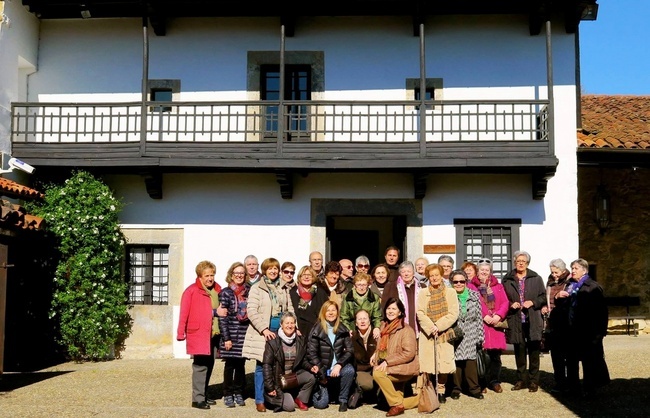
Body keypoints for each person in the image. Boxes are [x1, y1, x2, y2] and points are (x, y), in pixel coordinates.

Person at [242, 257, 295, 413]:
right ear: (264, 270)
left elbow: (290, 308)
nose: (273, 271)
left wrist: (294, 326)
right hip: (263, 332)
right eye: (270, 268)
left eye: (275, 268)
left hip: (281, 331)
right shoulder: (257, 287)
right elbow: (251, 310)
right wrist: (264, 329)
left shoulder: (284, 287)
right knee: (261, 365)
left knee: (280, 365)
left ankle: (277, 396)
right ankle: (260, 400)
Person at [177, 260, 222, 410]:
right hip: (199, 333)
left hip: (214, 333)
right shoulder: (191, 291)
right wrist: (180, 333)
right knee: (200, 366)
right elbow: (184, 313)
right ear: (200, 277)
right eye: (207, 275)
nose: (210, 278)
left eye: (212, 275)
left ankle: (203, 394)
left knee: (209, 365)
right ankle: (197, 399)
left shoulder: (217, 290)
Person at [563, 258, 610, 396]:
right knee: (571, 361)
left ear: (584, 270)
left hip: (587, 331)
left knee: (589, 362)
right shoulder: (569, 286)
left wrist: (600, 333)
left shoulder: (593, 287)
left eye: (576, 268)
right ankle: (573, 388)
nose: (573, 271)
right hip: (571, 330)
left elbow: (602, 312)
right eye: (572, 268)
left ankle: (589, 389)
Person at [502, 250, 546, 393]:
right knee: (519, 352)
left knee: (534, 351)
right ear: (514, 262)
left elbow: (543, 297)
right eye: (518, 261)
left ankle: (534, 381)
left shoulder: (536, 278)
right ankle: (521, 380)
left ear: (527, 263)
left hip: (532, 319)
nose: (520, 263)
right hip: (516, 320)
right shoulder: (507, 279)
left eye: (523, 261)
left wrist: (533, 302)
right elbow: (502, 299)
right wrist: (510, 304)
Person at [416, 263, 459, 404]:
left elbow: (453, 313)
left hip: (444, 333)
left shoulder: (450, 292)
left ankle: (441, 390)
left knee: (443, 364)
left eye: (436, 275)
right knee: (427, 364)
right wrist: (431, 327)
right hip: (427, 334)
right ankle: (428, 390)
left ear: (441, 276)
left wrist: (439, 326)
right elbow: (420, 312)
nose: (434, 278)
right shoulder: (423, 293)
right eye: (431, 276)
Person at [371, 298, 420, 417]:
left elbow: (409, 353)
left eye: (394, 309)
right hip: (392, 365)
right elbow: (383, 346)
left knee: (378, 373)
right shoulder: (384, 326)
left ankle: (397, 404)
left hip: (404, 367)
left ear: (400, 312)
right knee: (386, 402)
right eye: (388, 308)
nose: (390, 311)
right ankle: (418, 400)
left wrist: (387, 362)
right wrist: (375, 354)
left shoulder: (406, 329)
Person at [306, 300, 356, 412]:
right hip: (322, 369)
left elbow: (350, 350)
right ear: (323, 313)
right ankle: (322, 390)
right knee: (321, 404)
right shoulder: (316, 330)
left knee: (349, 370)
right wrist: (322, 373)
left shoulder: (343, 329)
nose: (331, 313)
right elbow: (311, 353)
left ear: (337, 313)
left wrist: (339, 364)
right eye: (328, 310)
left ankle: (343, 400)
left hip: (338, 368)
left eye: (333, 310)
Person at [262, 312, 316, 412]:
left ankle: (300, 399)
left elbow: (303, 360)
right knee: (290, 407)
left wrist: (310, 367)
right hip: (278, 381)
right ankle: (287, 397)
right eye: (287, 323)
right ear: (281, 325)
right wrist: (270, 387)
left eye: (292, 323)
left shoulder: (300, 340)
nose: (290, 326)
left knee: (310, 377)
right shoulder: (273, 342)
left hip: (292, 378)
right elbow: (267, 366)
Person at [470, 258, 509, 394]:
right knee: (482, 356)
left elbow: (505, 302)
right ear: (477, 271)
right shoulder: (472, 286)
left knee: (495, 357)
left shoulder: (498, 286)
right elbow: (474, 302)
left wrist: (498, 315)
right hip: (481, 325)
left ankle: (494, 381)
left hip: (495, 325)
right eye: (482, 270)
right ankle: (481, 382)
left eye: (487, 270)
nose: (484, 272)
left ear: (490, 271)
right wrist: (484, 315)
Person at [218, 262, 251, 407]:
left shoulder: (249, 291)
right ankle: (227, 393)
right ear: (231, 274)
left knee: (241, 365)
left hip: (244, 334)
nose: (239, 275)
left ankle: (238, 392)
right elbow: (222, 317)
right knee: (229, 366)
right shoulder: (226, 292)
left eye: (242, 273)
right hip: (230, 335)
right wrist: (226, 338)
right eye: (236, 273)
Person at [449, 270, 485, 400]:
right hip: (455, 332)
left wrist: (481, 336)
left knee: (471, 362)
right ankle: (456, 388)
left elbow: (479, 317)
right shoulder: (449, 296)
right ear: (451, 282)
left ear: (466, 282)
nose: (459, 284)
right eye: (456, 282)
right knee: (456, 362)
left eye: (461, 281)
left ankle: (474, 389)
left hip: (471, 331)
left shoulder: (475, 295)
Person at [544, 258, 573, 393]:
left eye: (556, 272)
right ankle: (560, 382)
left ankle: (572, 383)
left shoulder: (570, 281)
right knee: (556, 356)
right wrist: (545, 306)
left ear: (562, 271)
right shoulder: (550, 282)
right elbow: (547, 298)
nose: (554, 275)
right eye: (552, 272)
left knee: (569, 356)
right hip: (553, 323)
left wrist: (558, 296)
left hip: (566, 323)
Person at [381, 261, 421, 337]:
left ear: (413, 273)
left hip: (419, 330)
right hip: (397, 329)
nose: (406, 274)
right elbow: (384, 307)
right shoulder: (391, 286)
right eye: (403, 272)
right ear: (400, 273)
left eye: (409, 271)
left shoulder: (421, 287)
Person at [340, 272, 382, 340]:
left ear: (368, 285)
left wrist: (377, 327)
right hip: (352, 329)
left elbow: (377, 316)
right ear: (354, 285)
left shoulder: (374, 297)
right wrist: (348, 329)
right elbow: (344, 317)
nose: (361, 287)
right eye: (359, 285)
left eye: (364, 285)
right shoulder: (347, 297)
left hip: (369, 329)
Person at [289, 265, 329, 335]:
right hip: (298, 332)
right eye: (303, 275)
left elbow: (326, 310)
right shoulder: (293, 292)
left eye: (309, 275)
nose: (306, 277)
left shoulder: (320, 292)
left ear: (313, 277)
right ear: (299, 277)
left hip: (317, 331)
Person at [350, 309, 378, 405]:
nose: (362, 321)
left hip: (375, 369)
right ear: (356, 323)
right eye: (359, 319)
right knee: (369, 384)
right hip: (360, 370)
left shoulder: (376, 335)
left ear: (369, 321)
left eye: (365, 318)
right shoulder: (352, 337)